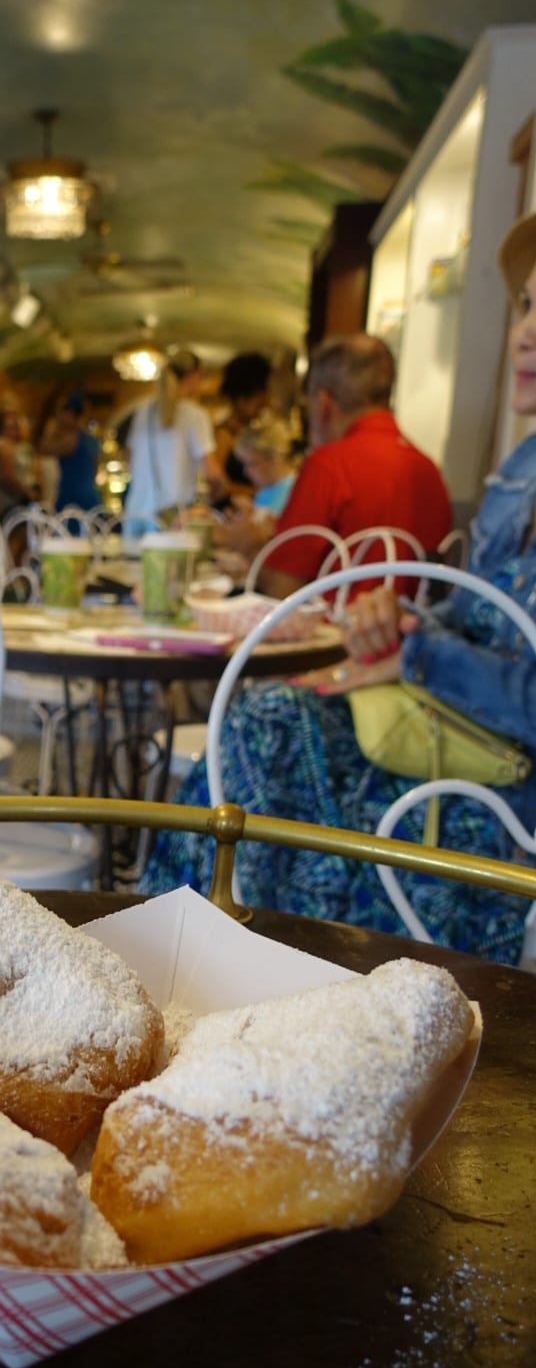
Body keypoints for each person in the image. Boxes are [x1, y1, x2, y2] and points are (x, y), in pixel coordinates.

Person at [142, 211, 536, 967]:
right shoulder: (487, 473)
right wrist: (406, 622)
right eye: (525, 305)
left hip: (496, 794)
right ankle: (200, 958)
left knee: (257, 728)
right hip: (429, 717)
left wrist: (414, 657)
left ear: (322, 404)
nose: (526, 332)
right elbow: (470, 614)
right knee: (262, 718)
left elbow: (284, 583)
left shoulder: (331, 466)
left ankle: (206, 964)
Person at [253, 334, 452, 598]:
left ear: (323, 404)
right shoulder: (429, 470)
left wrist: (252, 550)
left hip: (335, 632)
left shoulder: (329, 465)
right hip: (414, 631)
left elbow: (283, 590)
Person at [121, 351, 226, 529]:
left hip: (135, 511)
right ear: (194, 375)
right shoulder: (195, 415)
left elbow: (129, 460)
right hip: (171, 516)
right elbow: (212, 472)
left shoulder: (142, 411)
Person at [213, 419, 298, 567]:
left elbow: (277, 539)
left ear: (273, 458)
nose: (246, 472)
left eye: (251, 464)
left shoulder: (293, 489)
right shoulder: (265, 491)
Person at [213, 351, 274, 493]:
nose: (264, 404)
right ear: (241, 399)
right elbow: (217, 487)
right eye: (259, 398)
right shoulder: (224, 433)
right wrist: (258, 490)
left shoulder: (250, 430)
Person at [40, 392, 101, 513]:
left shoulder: (71, 440)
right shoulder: (92, 439)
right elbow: (95, 470)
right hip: (90, 496)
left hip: (72, 498)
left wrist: (51, 428)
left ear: (70, 414)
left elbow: (43, 448)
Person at [0, 410, 40, 519]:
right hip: (7, 500)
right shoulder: (3, 446)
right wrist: (28, 492)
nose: (12, 430)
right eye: (8, 426)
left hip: (11, 498)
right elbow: (8, 475)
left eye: (14, 426)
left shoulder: (15, 445)